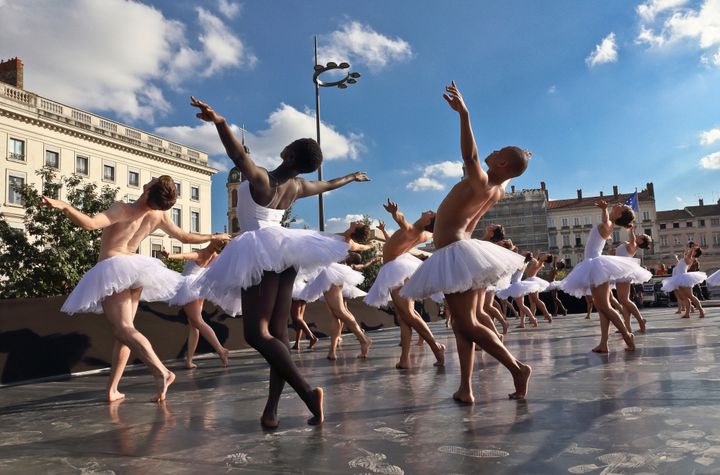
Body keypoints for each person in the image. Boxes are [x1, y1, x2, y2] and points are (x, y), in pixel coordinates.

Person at [191, 97, 369, 428]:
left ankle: (306, 392)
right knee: (277, 334)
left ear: (287, 154)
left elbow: (237, 155)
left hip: (259, 250)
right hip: (285, 252)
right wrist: (352, 176)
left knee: (257, 335)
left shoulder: (262, 180)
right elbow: (328, 184)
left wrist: (219, 122)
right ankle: (271, 410)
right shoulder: (298, 186)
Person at [401, 80, 532, 403]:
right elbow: (471, 224)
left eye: (499, 152)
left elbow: (470, 155)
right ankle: (466, 388)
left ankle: (517, 368)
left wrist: (464, 115)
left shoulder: (483, 181)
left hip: (455, 252)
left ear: (500, 164)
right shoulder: (495, 189)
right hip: (464, 251)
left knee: (467, 323)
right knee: (463, 325)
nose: (493, 150)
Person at [44, 176, 227, 402]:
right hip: (137, 270)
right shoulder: (157, 215)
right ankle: (113, 390)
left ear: (149, 189)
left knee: (122, 330)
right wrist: (213, 236)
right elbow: (184, 237)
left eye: (153, 180)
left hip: (114, 267)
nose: (149, 179)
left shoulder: (122, 208)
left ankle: (162, 372)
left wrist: (65, 206)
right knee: (126, 333)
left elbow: (89, 224)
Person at [560, 199, 651, 352]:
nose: (619, 204)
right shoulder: (609, 224)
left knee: (605, 307)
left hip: (595, 265)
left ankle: (628, 337)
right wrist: (604, 210)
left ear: (619, 213)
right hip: (594, 265)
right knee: (602, 307)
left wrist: (603, 209)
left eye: (622, 206)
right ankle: (604, 343)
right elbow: (605, 222)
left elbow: (606, 221)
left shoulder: (609, 224)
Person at [364, 200, 446, 369]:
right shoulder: (424, 234)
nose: (429, 210)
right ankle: (404, 359)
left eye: (432, 214)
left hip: (396, 269)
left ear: (428, 221)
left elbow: (402, 222)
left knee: (408, 314)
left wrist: (395, 212)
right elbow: (396, 239)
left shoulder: (413, 230)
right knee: (404, 317)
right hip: (401, 266)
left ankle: (435, 346)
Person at [299, 224, 377, 360]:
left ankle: (363, 339)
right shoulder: (348, 241)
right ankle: (332, 351)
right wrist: (370, 245)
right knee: (336, 314)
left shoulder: (346, 238)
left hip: (331, 275)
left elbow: (354, 241)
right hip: (330, 275)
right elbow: (361, 247)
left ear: (354, 230)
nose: (356, 221)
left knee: (340, 312)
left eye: (357, 224)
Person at [163, 241, 232, 369]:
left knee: (198, 322)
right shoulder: (216, 257)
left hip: (189, 287)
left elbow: (184, 256)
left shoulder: (202, 252)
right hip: (199, 287)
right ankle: (189, 361)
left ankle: (220, 349)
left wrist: (169, 255)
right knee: (194, 326)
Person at [614, 224, 652, 333]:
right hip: (620, 271)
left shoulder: (633, 245)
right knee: (624, 301)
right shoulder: (631, 244)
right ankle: (627, 326)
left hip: (623, 273)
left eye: (641, 235)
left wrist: (631, 228)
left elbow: (631, 237)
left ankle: (640, 319)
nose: (638, 235)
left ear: (640, 241)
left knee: (624, 300)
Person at [661, 243, 707, 319]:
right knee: (685, 297)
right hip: (680, 278)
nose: (690, 251)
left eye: (693, 250)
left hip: (683, 278)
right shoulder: (689, 259)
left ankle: (701, 311)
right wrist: (686, 253)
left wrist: (693, 247)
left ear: (694, 252)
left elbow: (688, 255)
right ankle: (687, 313)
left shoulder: (690, 258)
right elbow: (683, 264)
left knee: (690, 296)